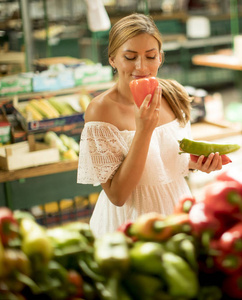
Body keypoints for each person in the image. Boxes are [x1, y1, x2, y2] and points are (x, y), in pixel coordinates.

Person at [77, 13, 224, 238]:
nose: (141, 66)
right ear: (112, 59)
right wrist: (144, 129)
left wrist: (197, 163)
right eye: (130, 56)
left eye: (150, 56)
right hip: (130, 225)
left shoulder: (174, 94)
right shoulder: (100, 111)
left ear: (160, 58)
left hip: (177, 210)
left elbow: (164, 164)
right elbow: (118, 196)